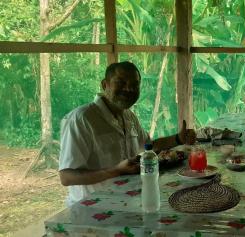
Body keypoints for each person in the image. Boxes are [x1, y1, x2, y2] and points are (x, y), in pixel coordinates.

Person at [58, 61, 196, 206]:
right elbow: (67, 177)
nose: (128, 89)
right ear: (105, 85)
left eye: (134, 85)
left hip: (127, 200)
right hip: (92, 208)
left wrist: (178, 139)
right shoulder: (81, 120)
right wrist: (116, 171)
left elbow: (149, 146)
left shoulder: (128, 116)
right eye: (121, 82)